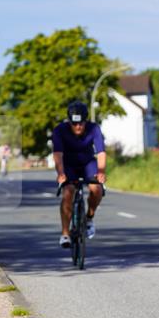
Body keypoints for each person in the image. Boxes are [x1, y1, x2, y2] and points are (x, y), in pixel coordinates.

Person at [51, 102, 106, 248]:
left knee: (97, 189)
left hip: (87, 163)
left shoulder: (94, 128)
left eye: (81, 123)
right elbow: (57, 154)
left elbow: (100, 152)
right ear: (69, 121)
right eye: (74, 123)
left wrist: (101, 172)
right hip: (68, 165)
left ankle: (89, 218)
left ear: (85, 121)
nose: (78, 127)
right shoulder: (59, 130)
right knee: (68, 192)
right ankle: (65, 234)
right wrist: (61, 173)